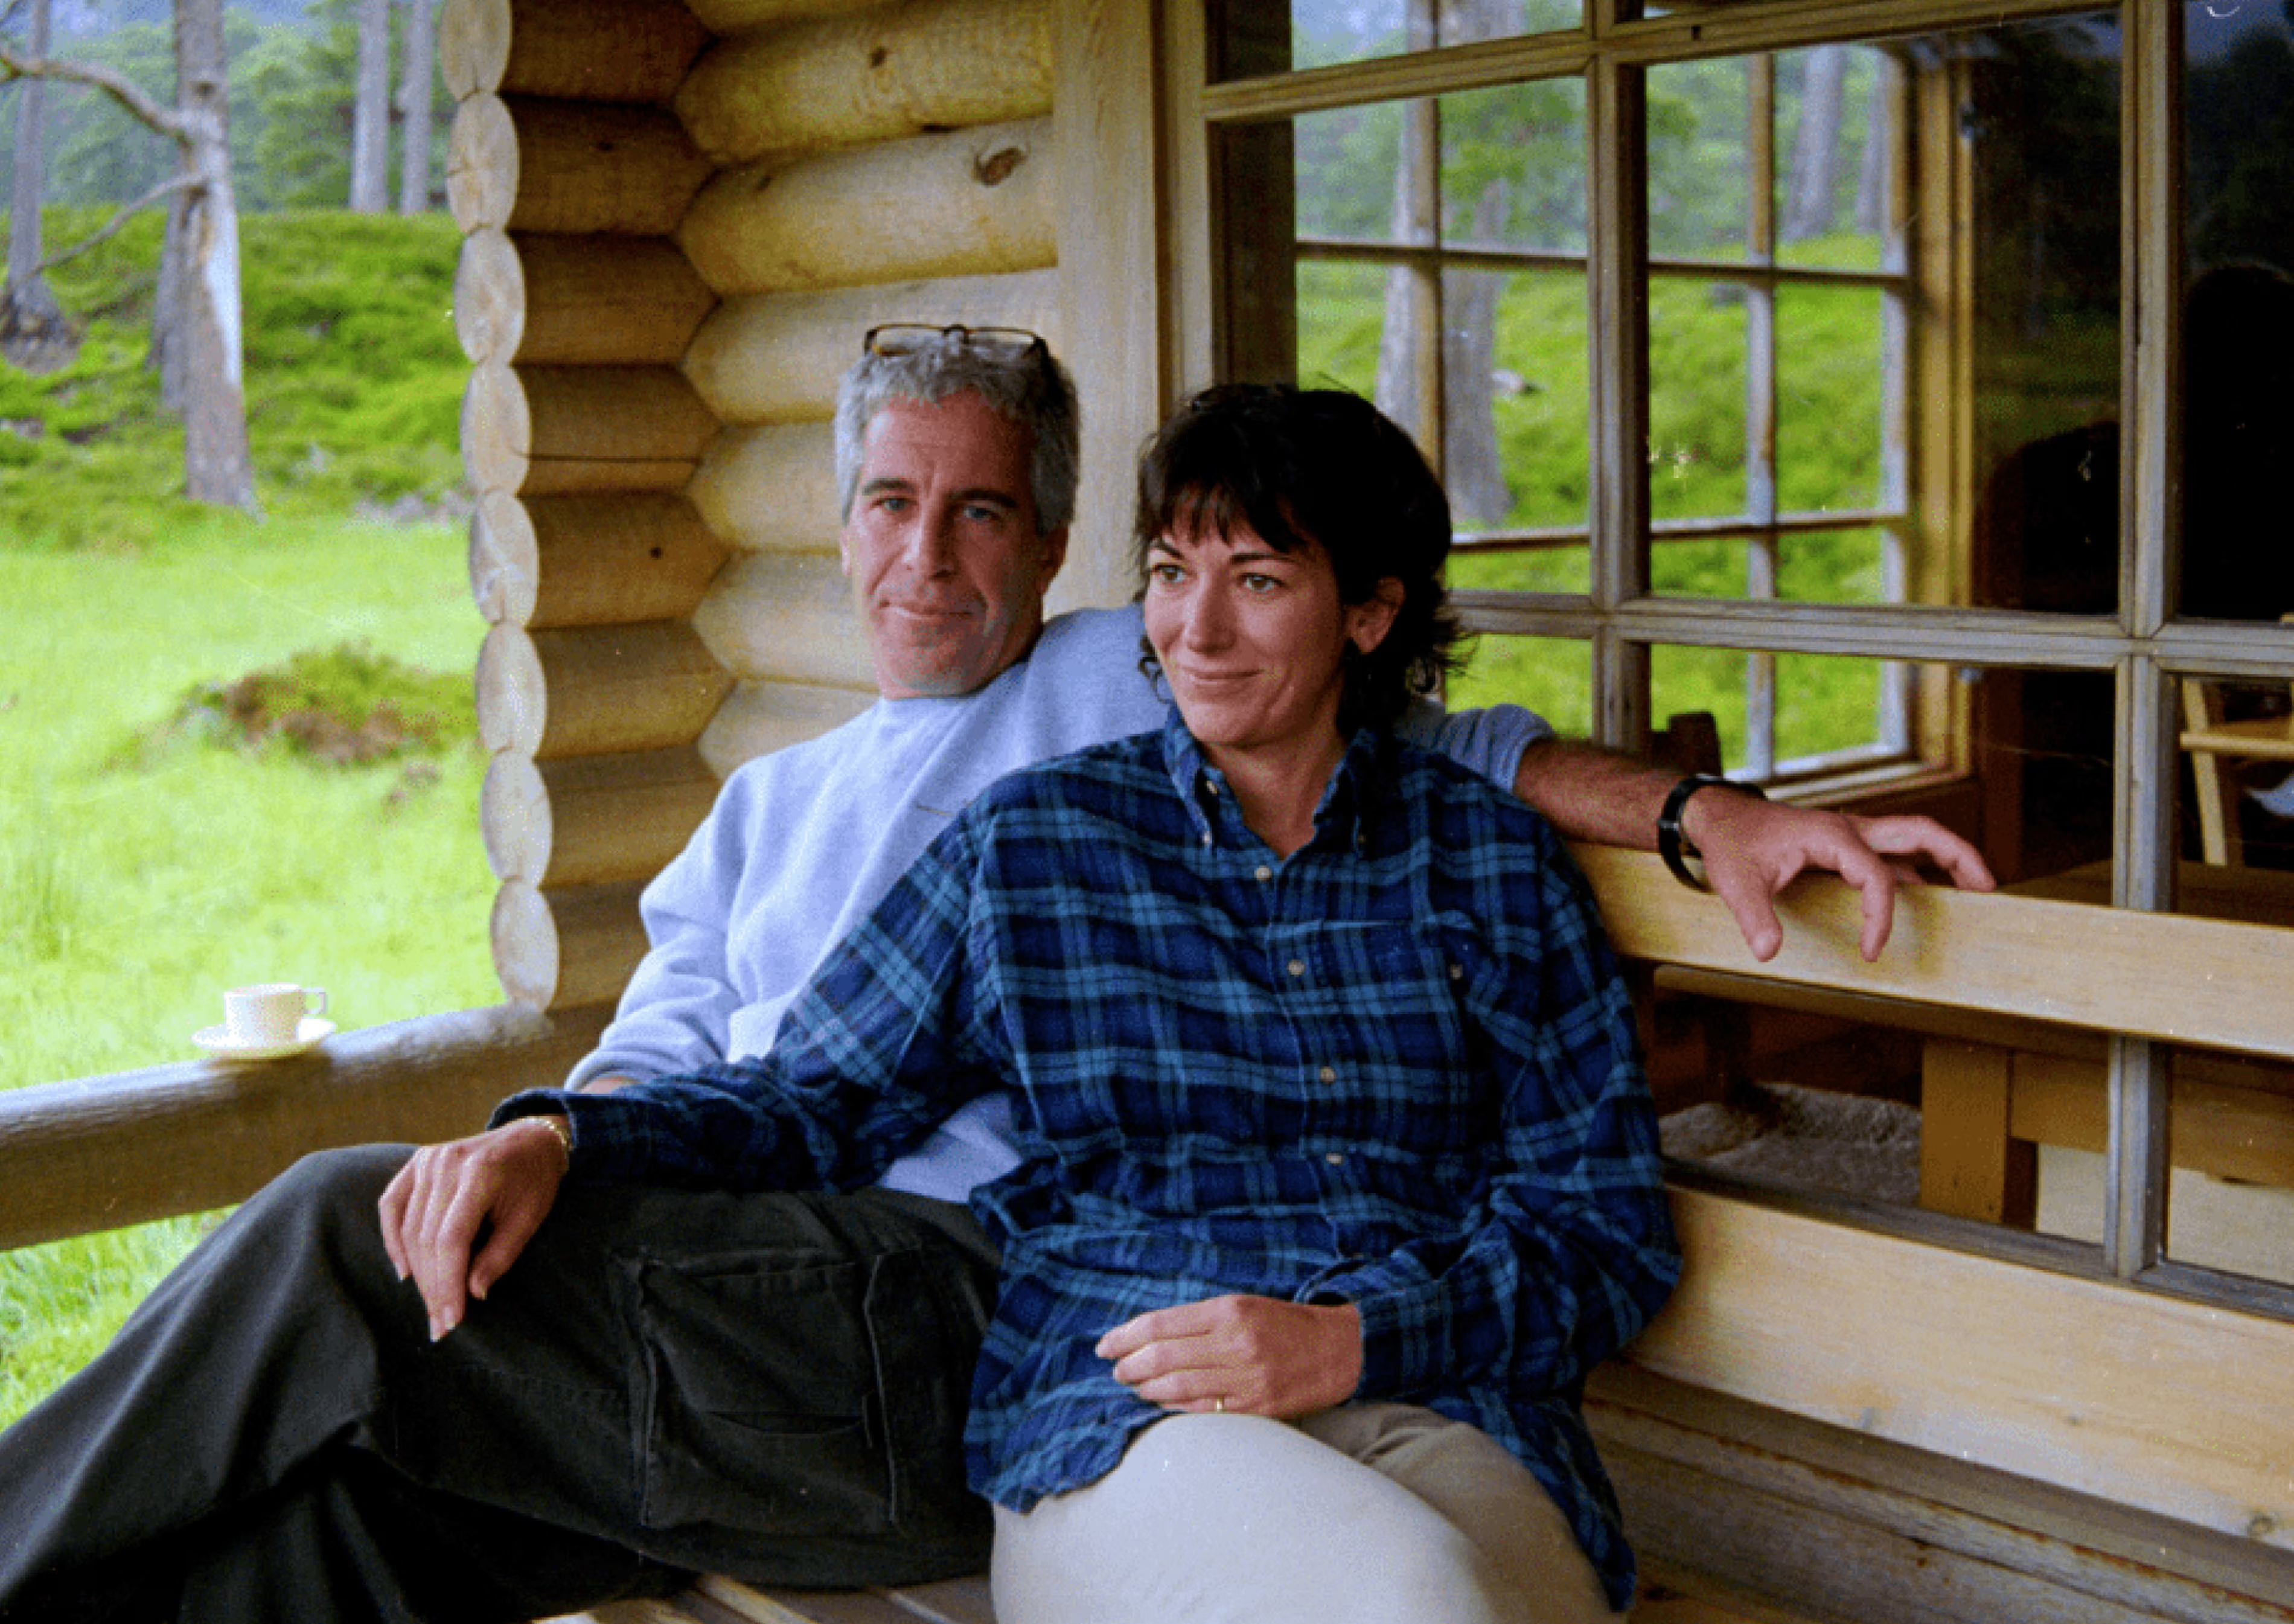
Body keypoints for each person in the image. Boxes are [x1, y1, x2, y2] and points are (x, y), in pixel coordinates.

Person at [0, 329, 1982, 1623]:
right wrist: (560, 1130)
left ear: (1050, 554)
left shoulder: (1176, 708)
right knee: (365, 1477)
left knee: (355, 1292)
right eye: (888, 502)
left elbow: (1471, 787)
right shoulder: (876, 824)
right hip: (991, 1343)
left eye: (982, 512)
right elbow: (779, 1083)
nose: (928, 555)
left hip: (1015, 1311)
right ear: (837, 522)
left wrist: (1696, 813)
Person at [484, 382, 1679, 1622]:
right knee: (1422, 1600)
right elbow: (805, 1100)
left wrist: (1357, 1338)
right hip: (1134, 1410)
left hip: (1448, 1399)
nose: (1197, 629)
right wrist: (564, 1134)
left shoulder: (1489, 862)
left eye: (1259, 581)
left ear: (1370, 615)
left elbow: (1604, 1229)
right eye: (1170, 573)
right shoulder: (1034, 846)